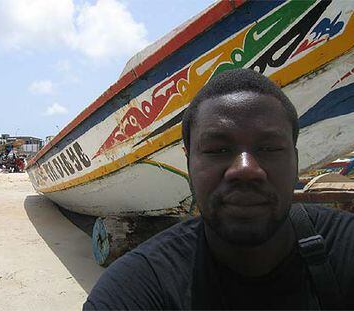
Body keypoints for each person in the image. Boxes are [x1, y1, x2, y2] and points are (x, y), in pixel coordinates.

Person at [84, 69, 354, 310]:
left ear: (295, 159)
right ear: (188, 161)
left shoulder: (346, 247)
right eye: (218, 150)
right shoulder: (137, 288)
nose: (246, 169)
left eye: (269, 148)